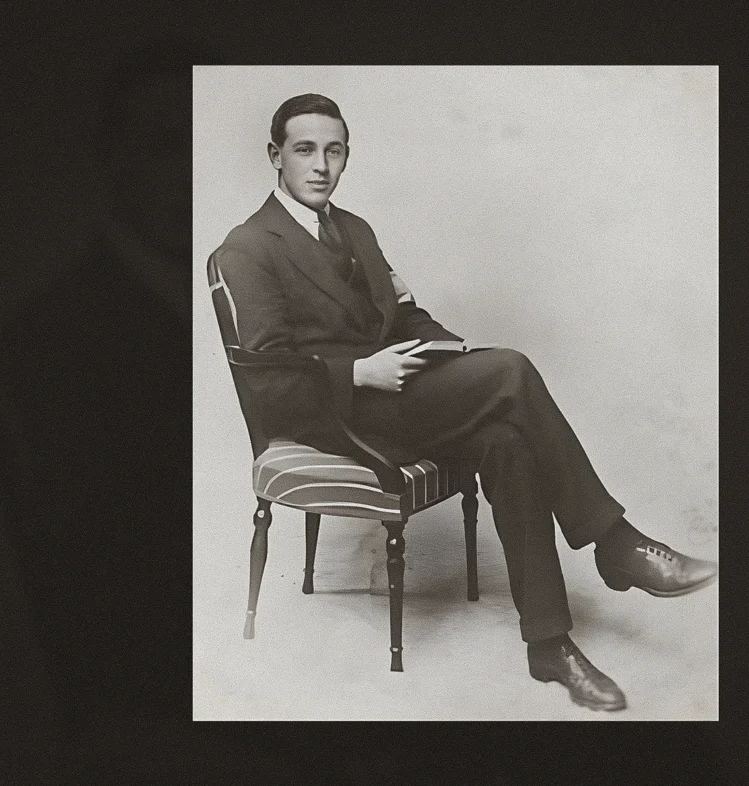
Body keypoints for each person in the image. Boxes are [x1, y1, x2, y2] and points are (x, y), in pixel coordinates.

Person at [208, 93, 718, 712]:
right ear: (275, 156)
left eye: (333, 151)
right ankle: (615, 544)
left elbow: (403, 315)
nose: (320, 165)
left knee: (507, 439)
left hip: (401, 399)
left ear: (346, 157)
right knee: (512, 370)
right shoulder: (248, 247)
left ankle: (549, 645)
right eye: (304, 150)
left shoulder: (356, 230)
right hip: (337, 417)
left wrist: (446, 350)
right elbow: (270, 384)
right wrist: (359, 372)